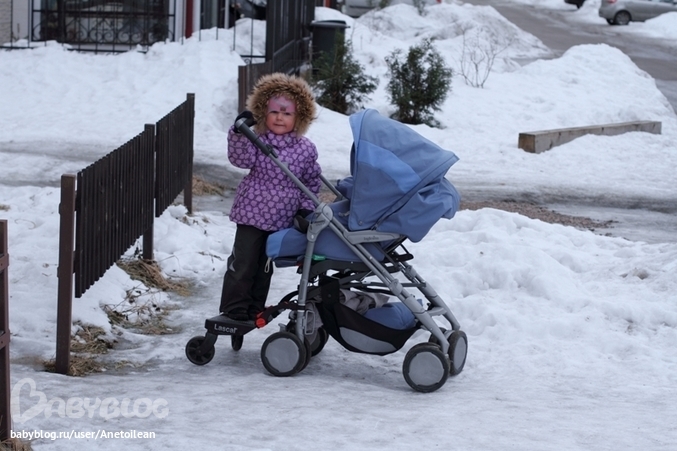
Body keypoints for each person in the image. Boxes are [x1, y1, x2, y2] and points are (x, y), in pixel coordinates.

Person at [219, 73, 321, 321]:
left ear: (299, 117)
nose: (279, 118)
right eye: (274, 111)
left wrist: (306, 208)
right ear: (263, 112)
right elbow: (241, 160)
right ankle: (235, 307)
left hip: (282, 216)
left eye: (287, 113)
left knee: (264, 267)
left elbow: (311, 181)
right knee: (243, 262)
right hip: (251, 212)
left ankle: (255, 307)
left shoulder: (305, 148)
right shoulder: (257, 139)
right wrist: (239, 133)